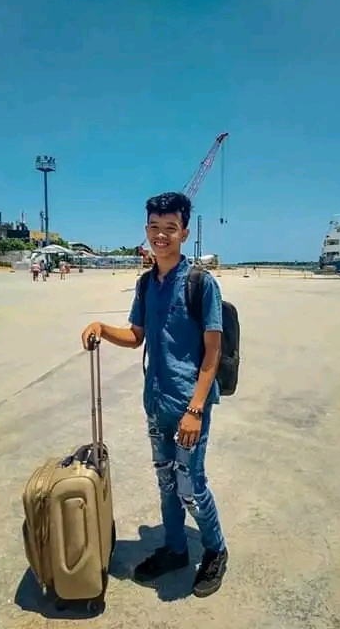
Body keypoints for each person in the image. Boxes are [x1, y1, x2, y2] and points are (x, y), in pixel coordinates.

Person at [81, 192, 228, 598]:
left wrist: (196, 409)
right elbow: (136, 336)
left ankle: (216, 549)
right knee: (166, 482)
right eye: (154, 227)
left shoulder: (201, 283)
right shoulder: (146, 283)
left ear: (184, 233)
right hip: (156, 402)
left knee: (191, 485)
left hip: (188, 405)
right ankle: (176, 549)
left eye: (170, 228)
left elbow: (212, 353)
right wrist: (101, 327)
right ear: (146, 229)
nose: (161, 235)